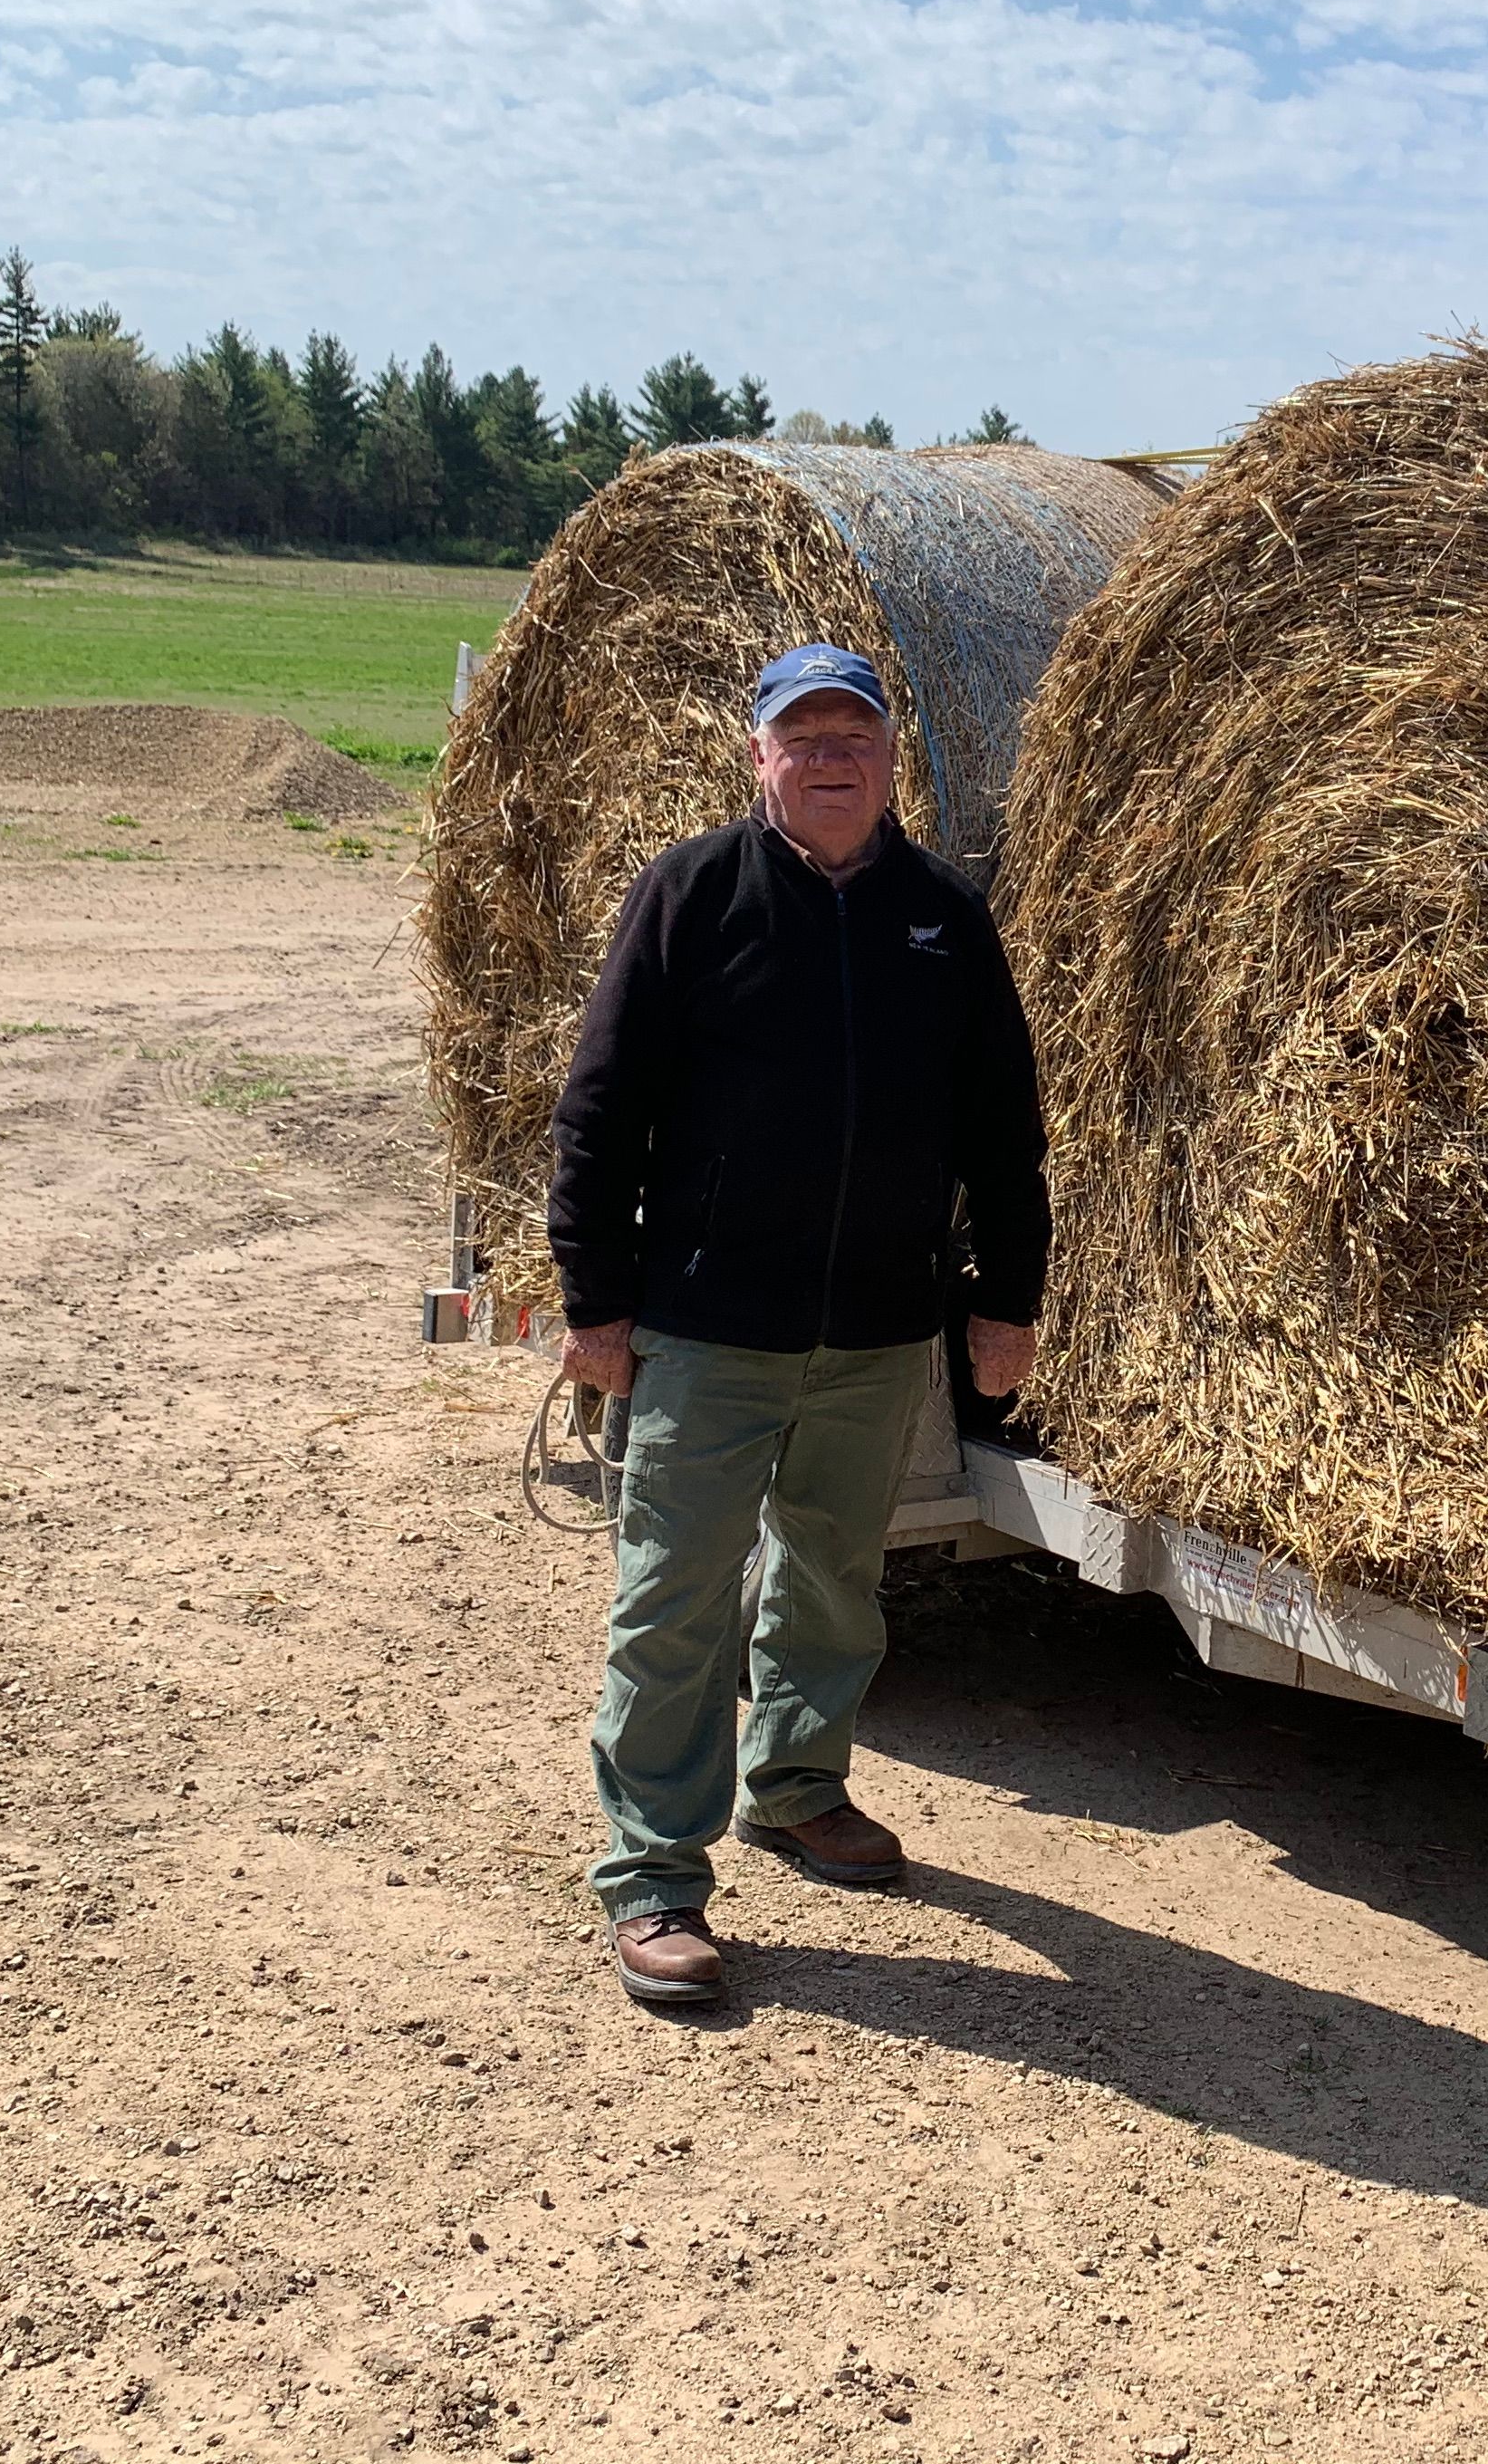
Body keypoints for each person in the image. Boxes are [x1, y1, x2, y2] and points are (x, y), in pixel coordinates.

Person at [548, 640, 1048, 2008]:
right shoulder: (692, 895)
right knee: (675, 1597)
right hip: (712, 1326)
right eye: (804, 736)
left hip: (881, 1330)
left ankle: (797, 1783)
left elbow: (1004, 1127)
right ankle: (653, 1873)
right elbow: (599, 1111)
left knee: (835, 1579)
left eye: (856, 736)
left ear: (891, 758)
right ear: (758, 754)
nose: (831, 758)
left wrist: (1009, 1298)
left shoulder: (943, 914)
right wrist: (596, 1301)